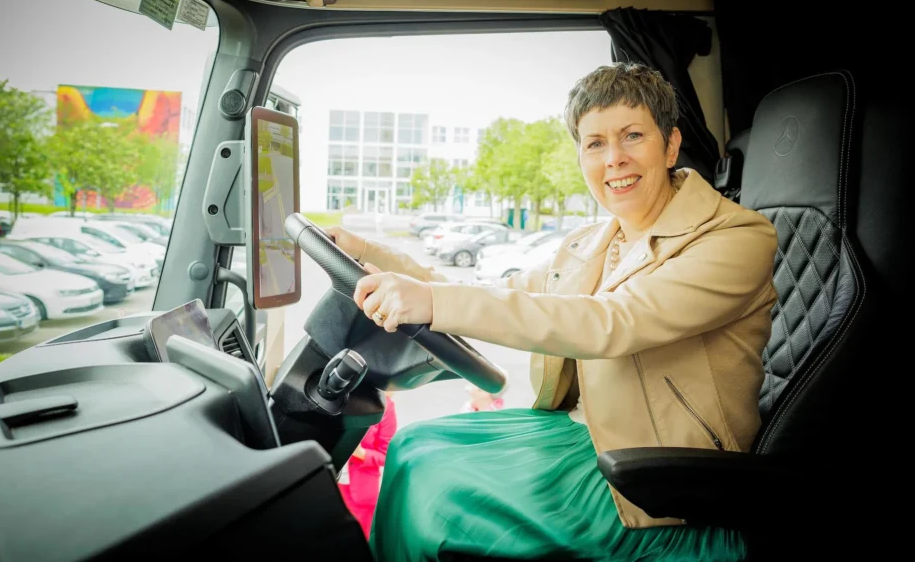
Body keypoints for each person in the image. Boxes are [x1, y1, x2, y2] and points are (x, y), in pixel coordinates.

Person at [325, 63, 778, 561]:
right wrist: (368, 252)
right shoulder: (592, 240)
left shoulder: (736, 239)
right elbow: (500, 291)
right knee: (413, 447)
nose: (615, 160)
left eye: (633, 136)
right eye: (595, 143)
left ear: (670, 146)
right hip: (581, 429)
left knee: (440, 495)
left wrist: (434, 305)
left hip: (662, 476)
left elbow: (612, 322)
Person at [338, 392, 397, 540]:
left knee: (361, 538)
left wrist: (361, 453)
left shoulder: (386, 408)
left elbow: (386, 455)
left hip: (361, 490)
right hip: (334, 482)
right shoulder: (340, 397)